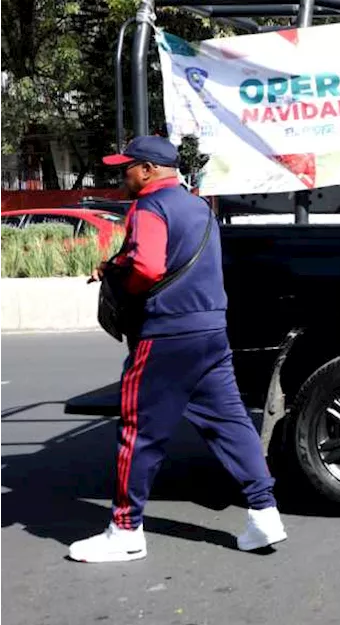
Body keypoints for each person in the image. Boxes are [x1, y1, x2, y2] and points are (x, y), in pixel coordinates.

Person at [70, 135, 287, 563]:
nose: (123, 175)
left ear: (148, 170)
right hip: (210, 333)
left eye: (127, 167)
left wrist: (120, 283)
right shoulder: (199, 208)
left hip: (166, 336)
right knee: (231, 423)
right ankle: (264, 514)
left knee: (138, 429)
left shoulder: (149, 206)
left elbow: (148, 268)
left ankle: (125, 531)